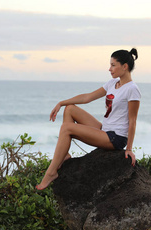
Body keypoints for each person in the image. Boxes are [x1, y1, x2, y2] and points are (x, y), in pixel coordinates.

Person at [36, 48, 141, 190]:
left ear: (125, 66)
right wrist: (62, 103)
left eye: (113, 65)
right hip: (105, 129)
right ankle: (64, 154)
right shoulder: (112, 83)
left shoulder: (132, 89)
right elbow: (87, 97)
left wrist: (129, 148)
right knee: (70, 109)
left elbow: (133, 120)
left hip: (115, 138)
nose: (109, 69)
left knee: (67, 128)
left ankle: (51, 173)